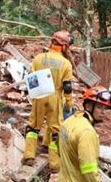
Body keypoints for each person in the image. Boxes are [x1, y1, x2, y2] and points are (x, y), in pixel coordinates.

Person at [22, 30, 74, 172]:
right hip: (55, 97)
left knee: (33, 126)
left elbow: (31, 77)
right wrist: (69, 103)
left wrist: (32, 94)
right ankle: (55, 164)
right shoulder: (65, 63)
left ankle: (29, 156)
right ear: (64, 46)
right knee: (55, 129)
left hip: (39, 94)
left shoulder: (38, 58)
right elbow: (67, 86)